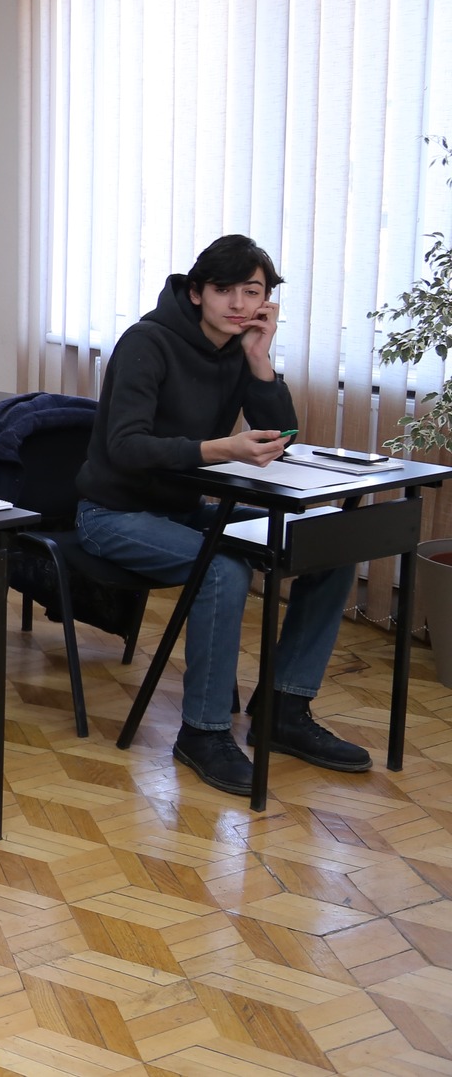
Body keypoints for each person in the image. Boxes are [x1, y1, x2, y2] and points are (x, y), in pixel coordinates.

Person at [74, 234, 365, 794]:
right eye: (223, 289)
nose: (237, 303)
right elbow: (125, 447)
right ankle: (202, 733)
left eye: (250, 292)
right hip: (112, 514)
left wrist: (259, 358)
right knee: (222, 570)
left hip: (186, 511)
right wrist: (218, 449)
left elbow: (282, 436)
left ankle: (284, 709)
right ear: (195, 292)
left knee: (329, 548)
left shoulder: (238, 348)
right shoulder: (146, 342)